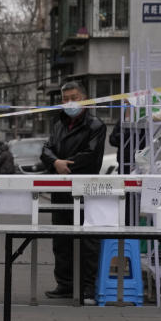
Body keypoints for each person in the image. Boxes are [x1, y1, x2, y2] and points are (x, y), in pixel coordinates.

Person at [40, 80, 107, 302]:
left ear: (84, 99)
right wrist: (55, 162)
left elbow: (91, 157)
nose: (69, 103)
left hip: (84, 189)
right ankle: (65, 284)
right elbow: (46, 149)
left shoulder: (95, 125)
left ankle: (88, 288)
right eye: (65, 99)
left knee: (87, 241)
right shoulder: (58, 124)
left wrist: (64, 165)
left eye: (74, 98)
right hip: (60, 189)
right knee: (61, 239)